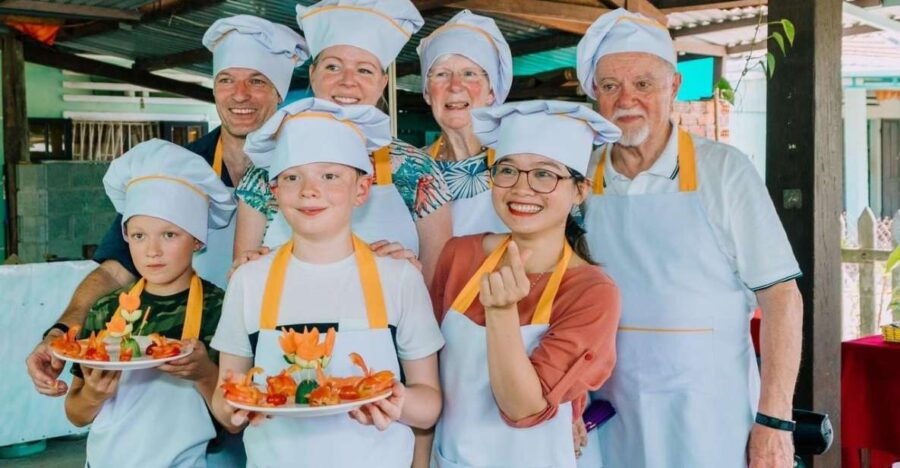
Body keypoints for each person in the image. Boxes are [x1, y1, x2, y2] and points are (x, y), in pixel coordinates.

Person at [27, 15, 307, 403]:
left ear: (279, 91)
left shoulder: (306, 169)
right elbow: (114, 270)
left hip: (283, 354)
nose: (239, 95)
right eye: (227, 80)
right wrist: (61, 331)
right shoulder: (177, 167)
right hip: (189, 366)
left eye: (257, 81)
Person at [575, 9, 804, 468]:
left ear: (674, 87)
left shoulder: (724, 170)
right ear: (594, 93)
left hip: (710, 415)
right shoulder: (577, 175)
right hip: (607, 411)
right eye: (610, 85)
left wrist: (775, 421)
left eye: (644, 84)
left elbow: (781, 297)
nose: (626, 99)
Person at [210, 98, 444, 467]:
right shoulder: (249, 281)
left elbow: (428, 405)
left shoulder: (399, 279)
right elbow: (225, 398)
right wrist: (233, 410)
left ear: (362, 189)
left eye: (330, 176)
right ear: (275, 193)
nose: (309, 190)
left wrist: (399, 400)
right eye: (291, 177)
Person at [429, 100, 622, 467]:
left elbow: (522, 409)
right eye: (508, 171)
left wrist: (501, 312)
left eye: (544, 174)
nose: (521, 189)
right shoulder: (459, 256)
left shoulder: (591, 293)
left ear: (579, 191)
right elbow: (427, 364)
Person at [233, 0, 453, 285]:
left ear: (382, 83)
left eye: (364, 70)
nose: (348, 82)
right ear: (313, 74)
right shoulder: (267, 165)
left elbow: (437, 283)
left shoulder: (417, 168)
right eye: (333, 67)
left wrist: (409, 272)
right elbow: (243, 276)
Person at [64, 139, 236, 467]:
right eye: (139, 236)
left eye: (169, 235)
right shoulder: (105, 310)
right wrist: (93, 395)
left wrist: (203, 373)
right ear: (126, 236)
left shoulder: (221, 309)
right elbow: (76, 415)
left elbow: (233, 419)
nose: (151, 251)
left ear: (197, 239)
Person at [416, 9, 512, 236]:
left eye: (469, 74)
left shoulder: (522, 163)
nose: (455, 86)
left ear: (491, 92)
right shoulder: (411, 168)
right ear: (427, 93)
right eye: (441, 74)